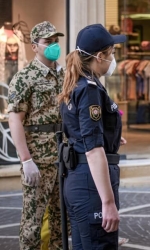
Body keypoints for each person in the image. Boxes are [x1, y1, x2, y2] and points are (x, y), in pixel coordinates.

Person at [58, 24, 126, 249]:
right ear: (99, 56)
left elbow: (82, 130)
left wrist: (111, 137)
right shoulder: (89, 89)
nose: (114, 58)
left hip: (80, 179)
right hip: (90, 184)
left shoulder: (79, 82)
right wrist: (107, 203)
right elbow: (93, 149)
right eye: (112, 53)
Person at [7, 21, 64, 250]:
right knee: (33, 220)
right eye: (48, 42)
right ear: (34, 47)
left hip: (63, 156)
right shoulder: (25, 78)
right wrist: (26, 160)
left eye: (56, 41)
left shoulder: (64, 73)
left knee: (61, 220)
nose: (53, 46)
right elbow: (15, 121)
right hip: (38, 160)